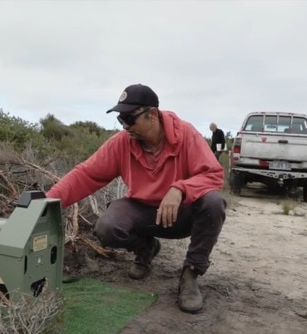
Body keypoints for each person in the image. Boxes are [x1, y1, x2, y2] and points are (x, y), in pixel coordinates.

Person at [45, 84, 226, 314]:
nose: (125, 126)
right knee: (107, 227)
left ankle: (190, 273)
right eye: (121, 120)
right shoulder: (122, 142)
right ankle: (146, 248)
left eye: (130, 118)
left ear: (152, 115)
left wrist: (180, 188)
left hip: (181, 215)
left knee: (213, 203)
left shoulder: (187, 134)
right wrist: (47, 201)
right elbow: (86, 174)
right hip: (144, 213)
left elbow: (214, 175)